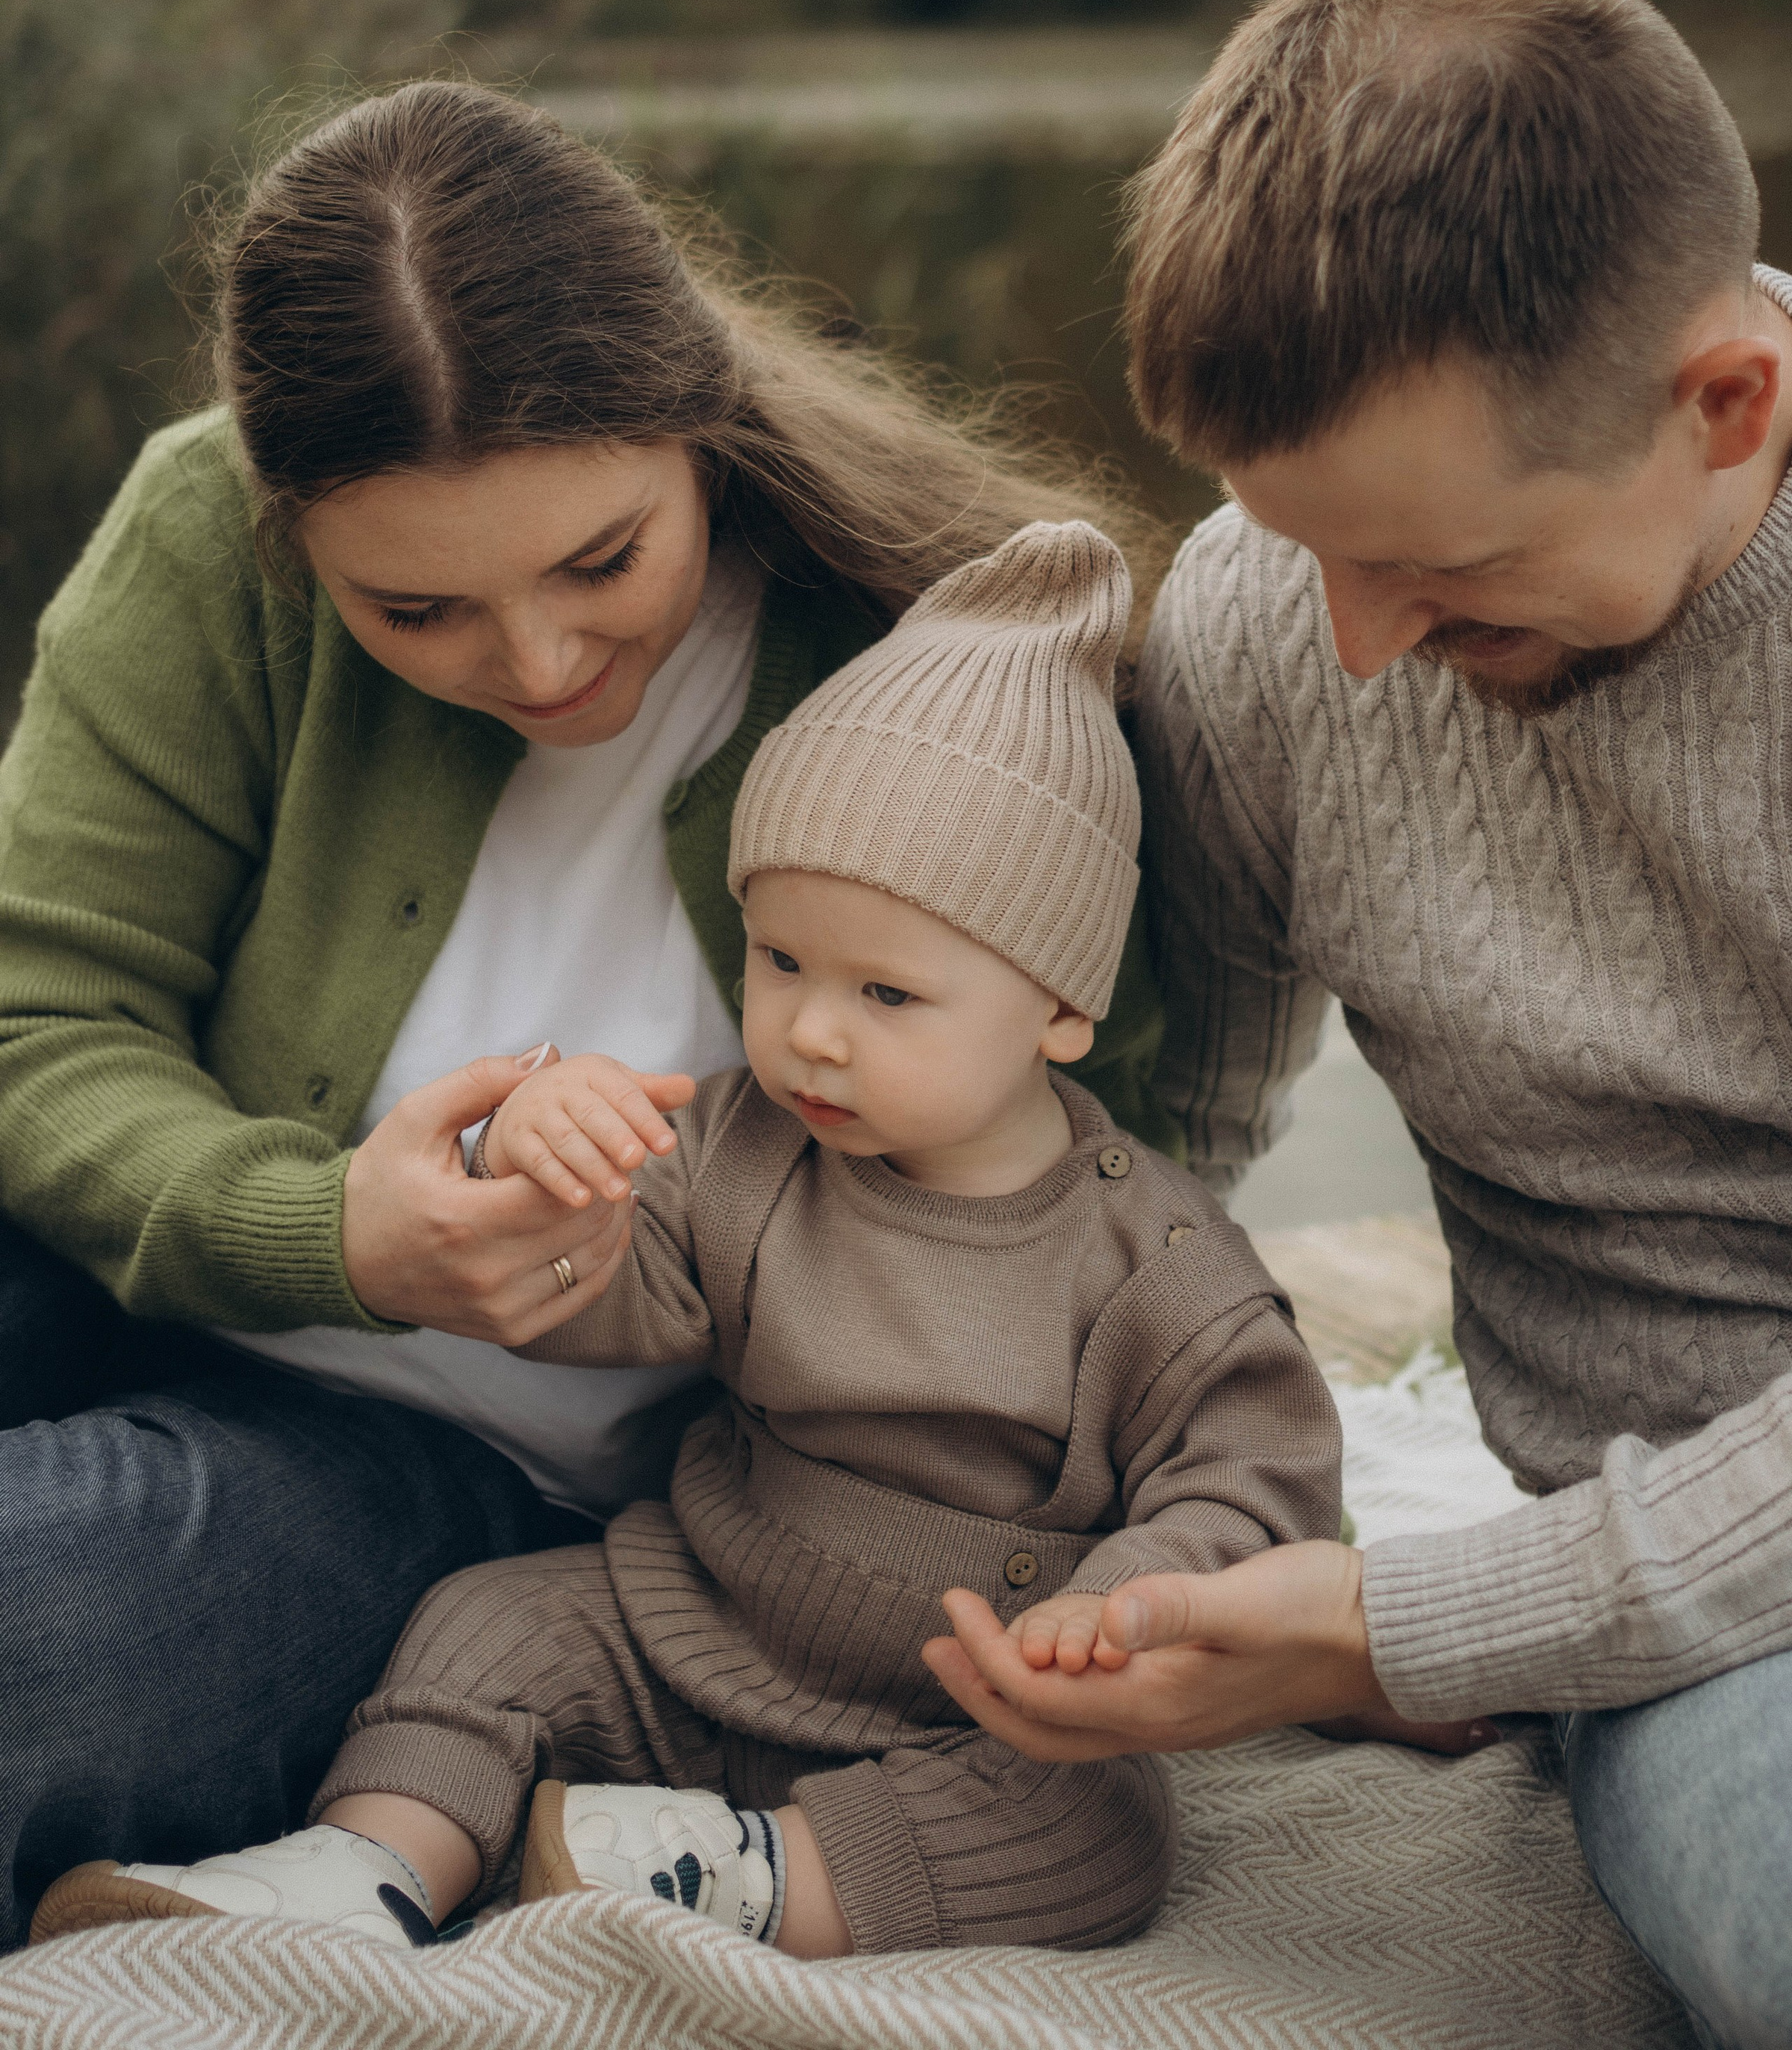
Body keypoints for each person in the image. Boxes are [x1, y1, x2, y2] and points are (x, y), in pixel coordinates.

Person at [0, 84, 1166, 1952]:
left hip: (482, 1468)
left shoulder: (940, 662)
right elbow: (43, 1012)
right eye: (415, 610)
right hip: (112, 1260)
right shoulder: (202, 534)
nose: (539, 664)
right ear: (293, 532)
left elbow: (1086, 1185)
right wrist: (327, 1230)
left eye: (602, 563)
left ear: (698, 422)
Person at [923, 0, 1792, 2050]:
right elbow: (1148, 1163)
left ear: (1721, 404)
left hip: (1622, 1580)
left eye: (1443, 572)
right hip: (1733, 1650)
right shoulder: (1273, 618)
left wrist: (1416, 1622)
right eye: (1303, 549)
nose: (1355, 650)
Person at [32, 524, 1341, 1959]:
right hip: (690, 1615)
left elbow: (1253, 1479)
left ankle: (744, 1873)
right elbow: (592, 1287)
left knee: (1095, 1826)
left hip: (962, 1692)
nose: (812, 1031)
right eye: (780, 960)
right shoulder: (747, 1151)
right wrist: (540, 1160)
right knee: (493, 1628)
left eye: (888, 996)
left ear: (1061, 1012)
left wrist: (1129, 1606)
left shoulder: (1156, 1263)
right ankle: (368, 1865)